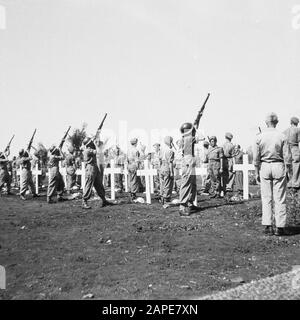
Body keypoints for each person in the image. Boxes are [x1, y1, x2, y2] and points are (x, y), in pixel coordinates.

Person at [253, 113, 291, 236]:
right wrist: (288, 170)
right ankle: (280, 227)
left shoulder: (259, 137)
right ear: (277, 122)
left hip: (264, 166)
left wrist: (256, 171)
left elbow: (255, 157)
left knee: (266, 197)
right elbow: (287, 156)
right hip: (278, 165)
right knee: (280, 198)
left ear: (266, 123)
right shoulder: (282, 136)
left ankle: (267, 225)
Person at [178, 123, 198, 216]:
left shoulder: (185, 138)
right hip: (188, 162)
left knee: (192, 184)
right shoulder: (188, 138)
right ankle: (182, 207)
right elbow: (201, 137)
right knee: (186, 184)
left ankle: (189, 203)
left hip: (189, 161)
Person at [283, 117, 300, 191]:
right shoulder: (298, 129)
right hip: (294, 147)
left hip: (287, 148)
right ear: (297, 123)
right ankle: (295, 183)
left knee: (288, 165)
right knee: (296, 165)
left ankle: (289, 182)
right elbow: (299, 139)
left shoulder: (286, 131)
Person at [160, 136, 175, 208]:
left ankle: (162, 198)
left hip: (162, 167)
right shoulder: (170, 150)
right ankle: (166, 201)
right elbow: (170, 162)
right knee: (168, 184)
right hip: (167, 167)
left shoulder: (162, 149)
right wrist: (171, 172)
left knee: (162, 183)